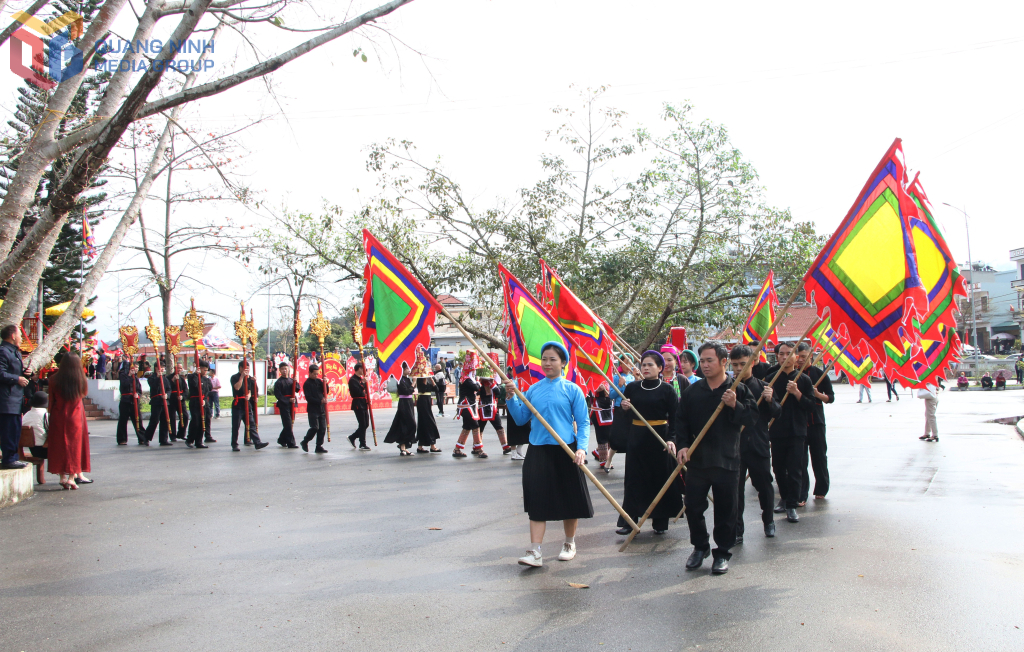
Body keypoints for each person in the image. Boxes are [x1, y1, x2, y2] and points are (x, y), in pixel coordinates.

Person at [504, 342, 593, 568]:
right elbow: (520, 419)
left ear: (563, 363)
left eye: (553, 359)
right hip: (538, 450)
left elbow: (583, 422)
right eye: (544, 359)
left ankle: (569, 543)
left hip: (566, 450)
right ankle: (535, 551)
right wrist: (512, 398)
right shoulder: (533, 390)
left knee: (570, 499)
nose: (547, 363)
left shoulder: (572, 389)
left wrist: (581, 448)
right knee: (537, 500)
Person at [676, 342, 758, 575]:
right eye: (702, 361)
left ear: (723, 362)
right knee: (693, 507)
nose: (704, 365)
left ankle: (722, 552)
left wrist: (734, 405)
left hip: (727, 459)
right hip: (698, 460)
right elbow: (681, 421)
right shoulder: (692, 391)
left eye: (709, 360)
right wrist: (683, 445)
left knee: (726, 509)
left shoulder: (737, 389)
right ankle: (700, 546)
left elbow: (752, 418)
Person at [617, 350, 681, 535]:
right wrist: (625, 408)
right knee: (633, 480)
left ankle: (660, 522)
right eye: (643, 364)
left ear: (660, 368)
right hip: (637, 439)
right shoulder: (632, 387)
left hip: (659, 438)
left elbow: (675, 418)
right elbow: (626, 417)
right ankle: (630, 522)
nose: (645, 368)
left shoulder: (667, 390)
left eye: (650, 365)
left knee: (659, 479)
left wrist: (671, 440)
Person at [729, 345, 779, 542]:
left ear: (753, 362)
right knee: (735, 490)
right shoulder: (728, 388)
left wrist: (770, 400)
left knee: (764, 486)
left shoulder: (763, 386)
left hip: (758, 443)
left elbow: (777, 413)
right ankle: (737, 529)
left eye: (743, 364)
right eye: (735, 365)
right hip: (735, 446)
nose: (738, 368)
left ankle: (769, 521)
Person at [766, 342, 816, 523]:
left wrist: (797, 393)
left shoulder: (803, 380)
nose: (785, 357)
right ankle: (784, 498)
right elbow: (767, 409)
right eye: (781, 354)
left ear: (796, 357)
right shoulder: (770, 379)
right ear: (777, 356)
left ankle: (792, 505)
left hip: (797, 430)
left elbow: (811, 406)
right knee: (778, 468)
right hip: (777, 430)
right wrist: (769, 400)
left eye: (789, 353)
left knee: (795, 469)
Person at [46, 353, 92, 489]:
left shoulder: (53, 379)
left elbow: (51, 401)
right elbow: (83, 394)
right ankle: (72, 477)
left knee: (59, 445)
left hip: (58, 415)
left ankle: (62, 476)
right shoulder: (81, 380)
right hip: (76, 416)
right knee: (75, 447)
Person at [796, 342, 833, 503]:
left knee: (819, 458)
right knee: (800, 461)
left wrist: (818, 395)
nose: (800, 360)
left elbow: (830, 398)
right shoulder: (794, 375)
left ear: (811, 356)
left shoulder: (819, 374)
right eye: (798, 357)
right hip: (799, 423)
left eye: (804, 357)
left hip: (816, 422)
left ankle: (821, 489)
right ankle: (801, 494)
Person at [0, 325, 30, 470]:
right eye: (20, 335)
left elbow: (13, 371)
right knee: (9, 431)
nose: (21, 338)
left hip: (16, 399)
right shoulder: (3, 351)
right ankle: (9, 459)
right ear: (13, 336)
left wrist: (25, 373)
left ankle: (12, 457)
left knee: (14, 430)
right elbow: (1, 373)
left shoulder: (15, 352)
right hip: (7, 399)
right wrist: (16, 379)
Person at [230, 360, 267, 452]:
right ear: (240, 368)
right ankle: (234, 444)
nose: (247, 371)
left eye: (248, 369)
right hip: (238, 404)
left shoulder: (249, 378)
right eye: (245, 369)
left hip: (246, 404)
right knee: (236, 426)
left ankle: (257, 442)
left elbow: (250, 390)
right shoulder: (234, 377)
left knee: (251, 424)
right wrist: (242, 377)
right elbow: (237, 387)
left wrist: (249, 395)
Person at [605, 356, 635, 472]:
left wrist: (637, 379)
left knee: (632, 437)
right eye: (626, 362)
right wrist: (620, 385)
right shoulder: (616, 377)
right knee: (617, 437)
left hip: (632, 410)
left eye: (630, 363)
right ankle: (609, 460)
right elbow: (611, 395)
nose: (628, 365)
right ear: (621, 364)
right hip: (620, 410)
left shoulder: (633, 377)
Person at [453, 351, 485, 458]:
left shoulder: (468, 379)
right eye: (474, 370)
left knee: (467, 427)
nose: (475, 372)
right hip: (466, 405)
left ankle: (457, 449)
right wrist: (478, 382)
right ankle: (479, 449)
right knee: (475, 425)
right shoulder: (466, 379)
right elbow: (476, 387)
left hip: (469, 405)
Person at [384, 363, 417, 455]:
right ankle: (403, 446)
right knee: (406, 424)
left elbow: (412, 390)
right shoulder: (399, 380)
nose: (409, 370)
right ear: (402, 370)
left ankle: (404, 446)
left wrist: (414, 382)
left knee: (410, 425)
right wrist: (414, 383)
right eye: (407, 369)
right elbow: (407, 391)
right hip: (404, 403)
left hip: (410, 402)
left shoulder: (407, 379)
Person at [477, 371, 512, 455]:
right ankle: (477, 447)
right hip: (483, 409)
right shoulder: (480, 385)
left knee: (499, 427)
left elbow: (498, 392)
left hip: (493, 409)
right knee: (480, 429)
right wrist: (479, 382)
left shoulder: (494, 385)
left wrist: (492, 384)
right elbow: (477, 392)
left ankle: (505, 446)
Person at [116, 356, 145, 446]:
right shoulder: (123, 375)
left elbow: (139, 389)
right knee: (123, 421)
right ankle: (122, 439)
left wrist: (138, 395)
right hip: (125, 401)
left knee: (138, 420)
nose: (136, 369)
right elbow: (124, 384)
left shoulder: (136, 377)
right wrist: (129, 376)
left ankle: (142, 438)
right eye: (134, 367)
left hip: (134, 401)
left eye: (137, 368)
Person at [143, 358, 173, 446]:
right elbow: (153, 386)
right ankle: (146, 437)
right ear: (156, 368)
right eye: (161, 367)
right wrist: (158, 378)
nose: (162, 369)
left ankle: (163, 440)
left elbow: (169, 389)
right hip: (156, 402)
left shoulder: (165, 379)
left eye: (163, 368)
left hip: (165, 402)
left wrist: (167, 395)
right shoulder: (151, 378)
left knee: (165, 421)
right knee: (154, 421)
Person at [302, 363, 331, 453]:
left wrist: (325, 383)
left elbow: (326, 391)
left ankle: (319, 446)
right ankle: (305, 441)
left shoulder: (319, 381)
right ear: (310, 373)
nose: (316, 375)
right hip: (313, 409)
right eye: (314, 374)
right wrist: (320, 401)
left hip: (321, 408)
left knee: (322, 428)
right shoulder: (307, 384)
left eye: (317, 374)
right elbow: (309, 398)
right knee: (314, 427)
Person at [414, 364, 441, 454]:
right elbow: (423, 389)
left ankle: (421, 446)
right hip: (422, 402)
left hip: (427, 401)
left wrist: (431, 380)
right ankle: (431, 445)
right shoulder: (420, 380)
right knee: (427, 422)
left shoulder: (429, 380)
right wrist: (425, 378)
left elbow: (436, 389)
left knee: (425, 423)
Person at [186, 361, 214, 448]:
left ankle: (199, 441)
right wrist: (196, 375)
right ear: (200, 368)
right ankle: (190, 439)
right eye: (204, 370)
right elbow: (194, 385)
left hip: (204, 401)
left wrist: (204, 399)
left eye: (207, 370)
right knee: (196, 421)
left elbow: (209, 388)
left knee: (203, 421)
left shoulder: (206, 379)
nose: (206, 372)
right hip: (195, 401)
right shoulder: (191, 376)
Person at [22, 391, 52, 471]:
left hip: (32, 449)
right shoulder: (46, 415)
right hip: (45, 450)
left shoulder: (26, 415)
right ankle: (74, 474)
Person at [273, 362, 298, 448]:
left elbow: (297, 389)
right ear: (280, 370)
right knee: (287, 423)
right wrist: (288, 400)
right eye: (282, 369)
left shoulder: (291, 380)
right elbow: (278, 395)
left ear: (288, 369)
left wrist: (295, 381)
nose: (284, 370)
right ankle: (291, 443)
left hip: (292, 403)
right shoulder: (278, 382)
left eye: (286, 369)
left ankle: (281, 439)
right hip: (284, 404)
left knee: (290, 423)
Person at [347, 362, 371, 450]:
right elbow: (356, 391)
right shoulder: (353, 380)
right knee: (362, 424)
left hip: (363, 402)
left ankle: (352, 437)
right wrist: (362, 383)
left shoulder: (361, 379)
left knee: (366, 424)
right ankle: (362, 443)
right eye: (363, 369)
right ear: (359, 369)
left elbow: (365, 391)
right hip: (358, 403)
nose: (364, 371)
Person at [589, 383, 614, 466]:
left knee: (613, 437)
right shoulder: (592, 379)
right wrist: (597, 389)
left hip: (610, 411)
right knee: (602, 437)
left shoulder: (612, 378)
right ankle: (604, 460)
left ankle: (598, 452)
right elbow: (588, 392)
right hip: (598, 413)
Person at [166, 364, 189, 441]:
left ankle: (181, 434)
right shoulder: (168, 378)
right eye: (178, 368)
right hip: (172, 400)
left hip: (180, 400)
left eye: (181, 368)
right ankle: (172, 436)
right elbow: (167, 388)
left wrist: (182, 397)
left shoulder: (182, 379)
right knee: (172, 418)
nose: (180, 369)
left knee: (185, 416)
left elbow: (186, 390)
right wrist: (172, 381)